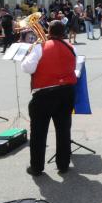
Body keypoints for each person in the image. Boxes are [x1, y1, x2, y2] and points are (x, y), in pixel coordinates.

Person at [21, 20, 77, 175]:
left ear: (49, 31)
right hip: (66, 92)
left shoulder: (40, 47)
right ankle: (63, 164)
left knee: (38, 132)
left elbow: (27, 68)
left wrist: (28, 54)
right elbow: (73, 67)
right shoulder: (71, 47)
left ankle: (37, 167)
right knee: (64, 129)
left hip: (44, 95)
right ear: (63, 32)